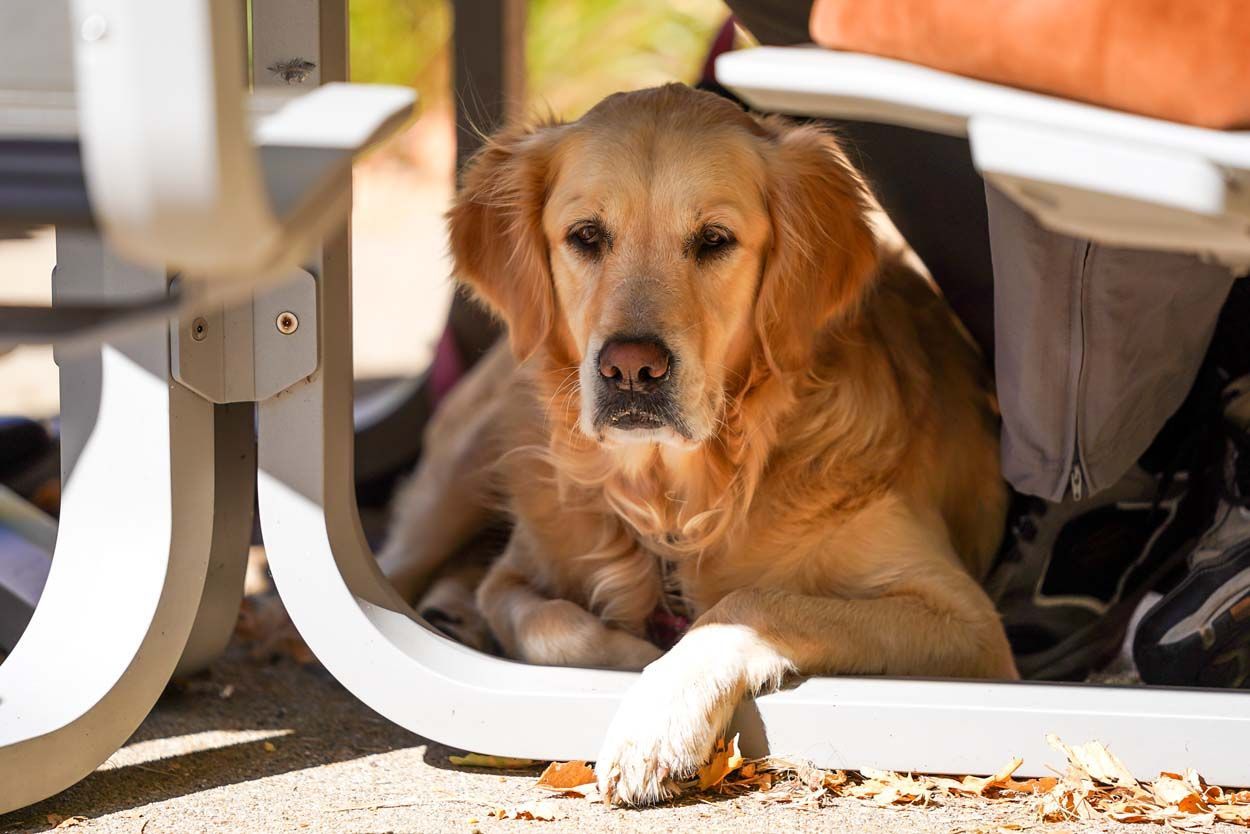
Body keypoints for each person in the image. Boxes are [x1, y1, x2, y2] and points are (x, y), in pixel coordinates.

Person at [402, 2, 1250, 686]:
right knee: (508, 420)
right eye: (590, 239)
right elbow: (514, 580)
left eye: (711, 244)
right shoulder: (570, 415)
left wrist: (745, 634)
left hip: (815, 473)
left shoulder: (845, 469)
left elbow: (970, 644)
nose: (633, 338)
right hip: (585, 476)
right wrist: (540, 625)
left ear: (790, 276)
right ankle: (399, 579)